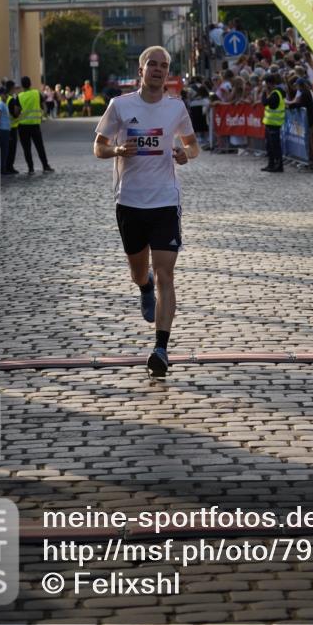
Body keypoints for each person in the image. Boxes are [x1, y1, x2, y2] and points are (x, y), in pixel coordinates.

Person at [93, 45, 199, 379]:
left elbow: (193, 145)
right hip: (130, 202)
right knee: (140, 273)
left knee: (167, 274)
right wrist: (117, 150)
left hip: (165, 201)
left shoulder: (176, 108)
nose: (158, 69)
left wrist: (186, 154)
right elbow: (98, 147)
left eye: (163, 65)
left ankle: (161, 349)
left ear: (167, 73)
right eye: (152, 64)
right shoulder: (120, 106)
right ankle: (143, 286)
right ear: (141, 70)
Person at [17, 76, 54, 175]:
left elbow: (16, 111)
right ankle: (45, 166)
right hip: (35, 125)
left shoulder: (19, 96)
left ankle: (31, 168)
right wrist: (42, 115)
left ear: (22, 85)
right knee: (39, 146)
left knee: (26, 149)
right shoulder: (36, 93)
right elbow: (45, 107)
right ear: (30, 84)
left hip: (23, 126)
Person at [261, 72, 285, 172]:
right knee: (269, 146)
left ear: (269, 83)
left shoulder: (276, 93)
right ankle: (271, 164)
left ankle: (278, 166)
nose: (265, 86)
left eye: (266, 84)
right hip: (269, 123)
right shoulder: (273, 93)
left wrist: (263, 93)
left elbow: (265, 103)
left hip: (274, 124)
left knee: (275, 146)